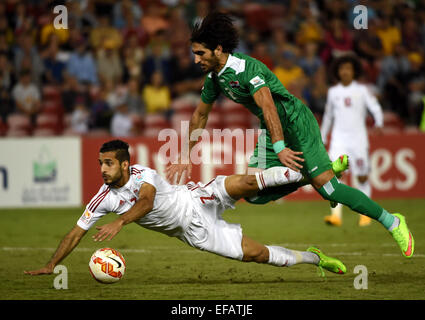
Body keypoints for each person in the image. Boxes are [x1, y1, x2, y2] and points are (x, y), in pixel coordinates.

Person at [165, 12, 414, 258]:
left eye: (200, 53)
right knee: (251, 192)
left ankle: (392, 222)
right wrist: (186, 153)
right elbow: (200, 116)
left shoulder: (246, 69)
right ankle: (310, 175)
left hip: (295, 122)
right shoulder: (214, 79)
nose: (196, 60)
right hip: (271, 127)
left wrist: (280, 146)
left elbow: (268, 105)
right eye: (194, 54)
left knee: (329, 189)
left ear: (218, 49)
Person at [24, 139, 346, 276]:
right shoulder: (102, 198)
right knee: (259, 255)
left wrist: (120, 223)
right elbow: (75, 232)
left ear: (125, 165)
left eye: (108, 163)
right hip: (194, 231)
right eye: (100, 164)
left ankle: (319, 170)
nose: (102, 169)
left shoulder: (143, 174)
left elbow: (147, 202)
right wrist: (53, 264)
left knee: (247, 183)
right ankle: (314, 257)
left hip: (195, 198)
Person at [320, 55, 384, 227]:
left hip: (358, 140)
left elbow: (375, 108)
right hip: (339, 139)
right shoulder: (333, 92)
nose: (345, 71)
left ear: (354, 71)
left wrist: (379, 123)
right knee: (334, 176)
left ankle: (366, 214)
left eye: (348, 68)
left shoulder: (362, 90)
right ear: (337, 72)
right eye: (342, 69)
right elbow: (328, 116)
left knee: (362, 177)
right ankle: (336, 216)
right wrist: (323, 136)